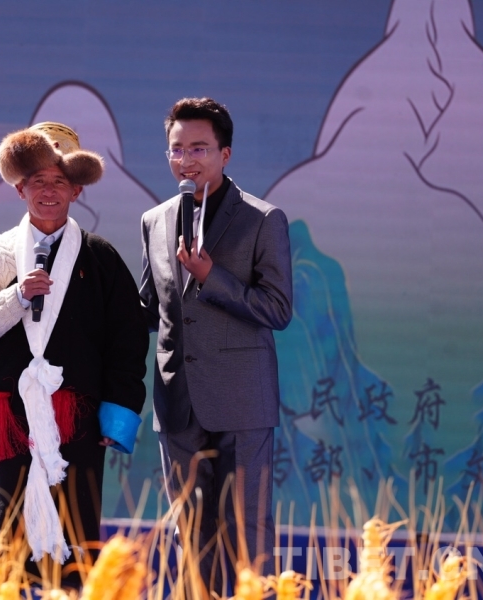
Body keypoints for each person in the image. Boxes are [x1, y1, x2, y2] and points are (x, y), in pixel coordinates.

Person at [0, 122, 149, 586]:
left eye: (60, 181)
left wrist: (117, 414)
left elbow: (127, 338)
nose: (48, 191)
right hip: (4, 419)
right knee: (1, 534)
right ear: (20, 189)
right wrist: (17, 296)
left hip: (73, 420)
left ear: (77, 191)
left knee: (73, 533)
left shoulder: (100, 258)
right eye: (38, 180)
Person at [139, 97, 293, 592]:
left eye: (199, 148)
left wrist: (212, 278)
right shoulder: (155, 220)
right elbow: (149, 307)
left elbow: (278, 309)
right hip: (178, 402)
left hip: (242, 402)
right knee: (190, 536)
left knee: (247, 533)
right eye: (177, 149)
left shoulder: (263, 219)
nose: (186, 160)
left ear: (225, 154)